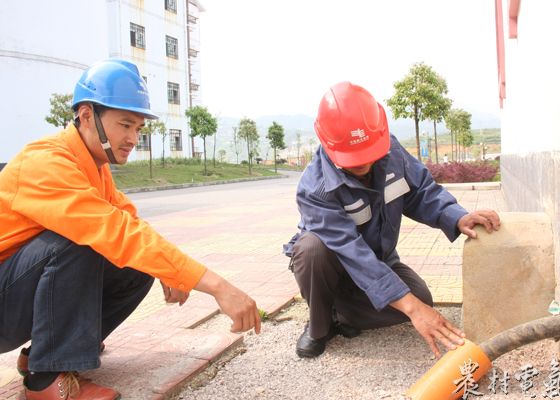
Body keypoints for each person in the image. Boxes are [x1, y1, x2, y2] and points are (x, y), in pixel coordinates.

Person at [0, 59, 261, 400]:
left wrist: (173, 272)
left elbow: (130, 221)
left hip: (14, 295)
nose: (133, 138)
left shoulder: (93, 165)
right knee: (77, 242)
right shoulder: (46, 163)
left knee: (136, 269)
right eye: (125, 124)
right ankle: (44, 383)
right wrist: (217, 286)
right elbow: (113, 230)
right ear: (86, 116)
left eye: (138, 128)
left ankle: (47, 355)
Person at [284, 82, 500, 358]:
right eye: (353, 158)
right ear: (328, 144)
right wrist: (410, 308)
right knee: (311, 248)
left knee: (422, 299)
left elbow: (421, 191)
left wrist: (457, 217)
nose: (364, 163)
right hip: (335, 265)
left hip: (380, 260)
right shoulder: (315, 189)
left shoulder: (389, 150)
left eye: (369, 154)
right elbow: (353, 252)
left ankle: (340, 313)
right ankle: (320, 324)